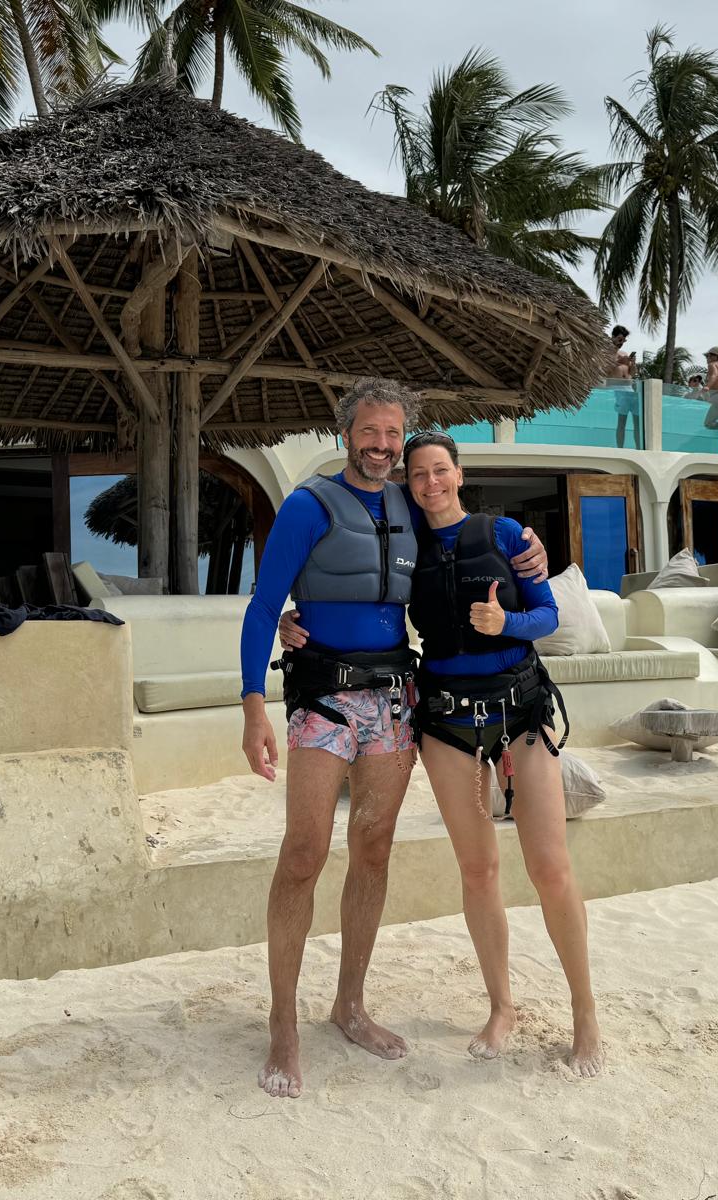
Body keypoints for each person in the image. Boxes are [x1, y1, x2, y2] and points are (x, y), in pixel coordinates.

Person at [238, 378, 548, 1100]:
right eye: (369, 432)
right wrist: (254, 706)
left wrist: (527, 547)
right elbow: (262, 607)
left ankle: (349, 1004)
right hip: (321, 697)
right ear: (345, 433)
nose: (381, 446)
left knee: (373, 847)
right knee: (304, 853)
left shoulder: (411, 504)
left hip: (394, 698)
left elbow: (473, 533)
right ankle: (283, 1021)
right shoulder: (308, 506)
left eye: (392, 435)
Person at [401, 430, 604, 1076]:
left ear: (459, 474)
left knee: (550, 867)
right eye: (419, 475)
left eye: (440, 470)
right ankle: (502, 1005)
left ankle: (585, 1011)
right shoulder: (405, 548)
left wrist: (505, 625)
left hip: (519, 706)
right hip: (447, 721)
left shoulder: (507, 534)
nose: (431, 483)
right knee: (479, 869)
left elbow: (548, 615)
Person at [610, 326, 641, 449]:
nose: (621, 343)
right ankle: (620, 450)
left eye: (623, 340)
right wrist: (618, 361)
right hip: (618, 391)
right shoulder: (605, 352)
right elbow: (603, 370)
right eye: (619, 339)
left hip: (630, 390)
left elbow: (632, 374)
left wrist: (633, 364)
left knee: (637, 423)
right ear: (612, 337)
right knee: (621, 423)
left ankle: (639, 449)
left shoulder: (624, 354)